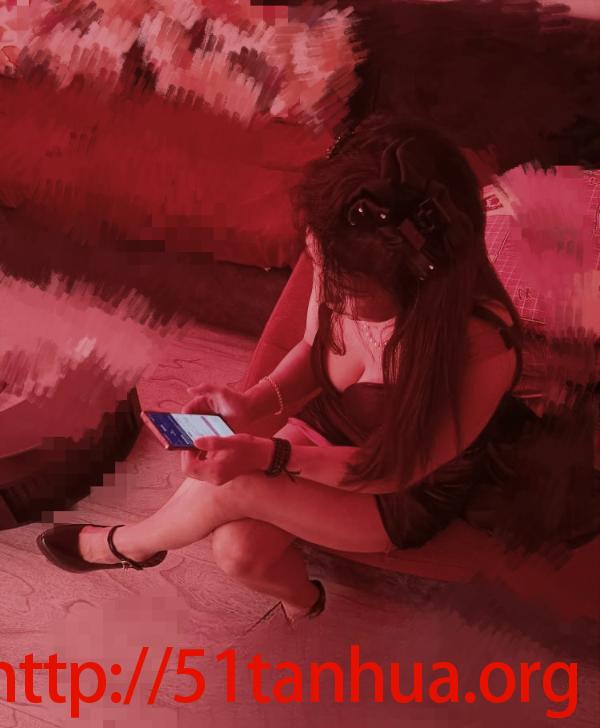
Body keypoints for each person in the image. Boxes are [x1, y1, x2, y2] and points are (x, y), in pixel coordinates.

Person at [36, 115, 535, 623]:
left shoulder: (481, 348)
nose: (326, 288)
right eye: (317, 261)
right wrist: (253, 402)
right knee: (239, 551)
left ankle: (126, 545)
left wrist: (270, 455)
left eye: (346, 289)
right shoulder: (344, 253)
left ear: (415, 282)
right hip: (331, 428)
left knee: (239, 485)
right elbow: (317, 350)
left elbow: (389, 470)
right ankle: (306, 603)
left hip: (398, 484)